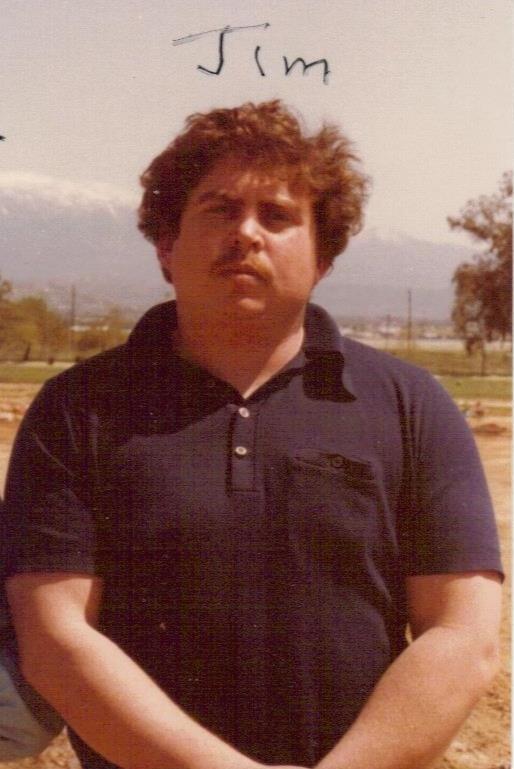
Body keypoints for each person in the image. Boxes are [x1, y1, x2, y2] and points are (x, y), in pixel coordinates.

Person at [2, 100, 503, 769]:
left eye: (277, 215)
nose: (246, 233)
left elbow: (463, 634)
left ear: (323, 257)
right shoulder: (76, 410)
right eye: (218, 209)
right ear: (165, 246)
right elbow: (55, 641)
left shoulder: (413, 406)